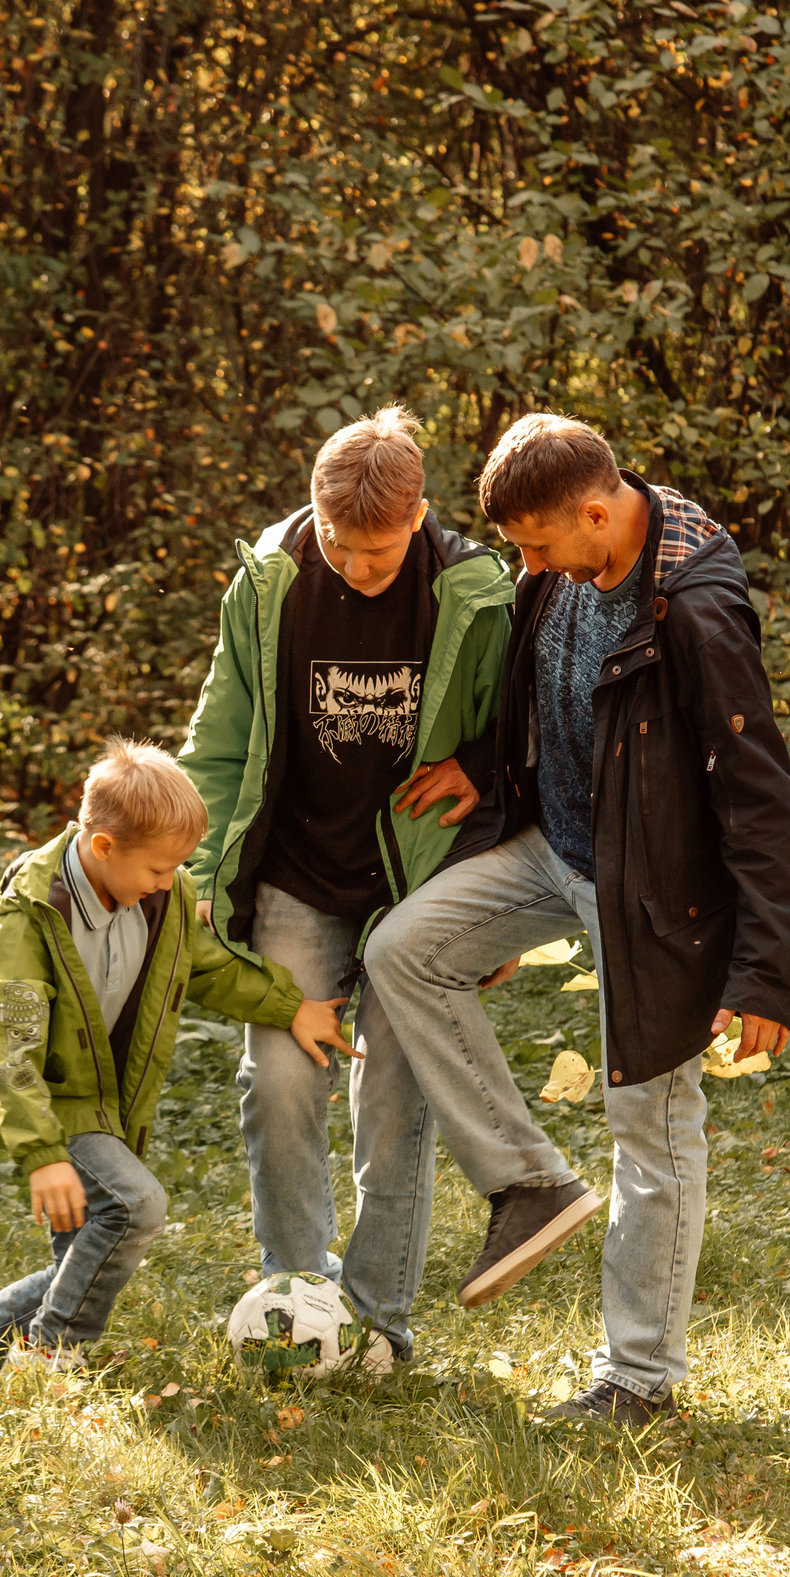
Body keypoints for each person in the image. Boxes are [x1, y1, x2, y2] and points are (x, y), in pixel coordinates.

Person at [363, 413, 790, 1424]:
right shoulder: (557, 573)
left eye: (537, 545)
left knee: (651, 1125)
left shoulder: (696, 613)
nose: (526, 566)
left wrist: (765, 972)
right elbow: (549, 704)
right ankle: (528, 1182)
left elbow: (758, 797)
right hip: (551, 850)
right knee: (403, 950)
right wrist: (480, 772)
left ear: (598, 515)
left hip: (649, 892)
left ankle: (639, 1380)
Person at [177, 407, 543, 1362]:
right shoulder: (271, 580)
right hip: (297, 875)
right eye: (341, 544)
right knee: (279, 1080)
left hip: (417, 885)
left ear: (419, 514)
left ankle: (380, 1321)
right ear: (314, 511)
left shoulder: (474, 590)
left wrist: (490, 905)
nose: (358, 567)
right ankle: (299, 1299)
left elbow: (522, 737)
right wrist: (203, 872)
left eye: (378, 551)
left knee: (393, 1102)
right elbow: (221, 736)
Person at [0, 740, 355, 1375]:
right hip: (48, 1102)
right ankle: (51, 1353)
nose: (170, 881)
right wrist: (43, 1155)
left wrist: (289, 1006)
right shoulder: (31, 917)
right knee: (136, 1206)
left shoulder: (162, 899)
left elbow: (207, 968)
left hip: (108, 1103)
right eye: (159, 869)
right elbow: (10, 1049)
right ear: (103, 847)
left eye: (177, 868)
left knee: (81, 1262)